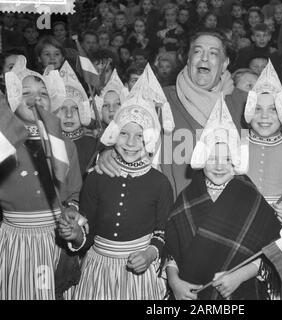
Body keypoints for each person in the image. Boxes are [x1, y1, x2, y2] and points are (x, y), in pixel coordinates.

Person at [58, 69, 174, 300]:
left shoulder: (160, 183)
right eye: (124, 134)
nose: (131, 143)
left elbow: (162, 232)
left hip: (140, 277)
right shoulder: (96, 177)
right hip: (97, 271)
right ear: (114, 134)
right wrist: (76, 236)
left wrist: (150, 254)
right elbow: (87, 232)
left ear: (150, 138)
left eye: (139, 136)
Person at [96, 29, 248, 199]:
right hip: (172, 211)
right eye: (197, 51)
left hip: (229, 212)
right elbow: (127, 133)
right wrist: (108, 151)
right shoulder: (159, 100)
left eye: (213, 53)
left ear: (225, 63)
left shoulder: (244, 104)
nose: (204, 58)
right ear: (188, 59)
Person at [164, 94, 281, 300]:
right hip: (190, 292)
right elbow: (171, 249)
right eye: (213, 158)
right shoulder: (187, 197)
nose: (219, 166)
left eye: (227, 159)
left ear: (237, 160)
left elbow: (270, 250)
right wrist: (174, 282)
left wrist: (238, 276)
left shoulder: (250, 196)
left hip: (237, 292)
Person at [0, 55, 82, 299]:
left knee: (46, 291)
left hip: (52, 240)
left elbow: (74, 192)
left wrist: (72, 212)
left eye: (42, 93)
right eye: (25, 91)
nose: (35, 98)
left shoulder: (65, 144)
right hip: (14, 240)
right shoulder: (5, 142)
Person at [243, 60, 282, 238]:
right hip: (242, 222)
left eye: (273, 109)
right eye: (257, 109)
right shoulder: (237, 144)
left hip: (280, 228)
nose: (264, 116)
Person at [53, 61, 97, 177]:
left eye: (75, 108)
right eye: (62, 108)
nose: (68, 115)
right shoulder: (47, 143)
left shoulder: (94, 145)